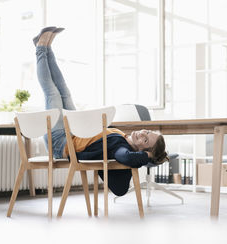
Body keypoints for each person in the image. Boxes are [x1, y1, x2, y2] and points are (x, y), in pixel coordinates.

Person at [34, 27, 168, 196]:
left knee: (52, 93)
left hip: (60, 142)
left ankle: (40, 48)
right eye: (146, 131)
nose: (141, 134)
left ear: (142, 150)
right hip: (71, 132)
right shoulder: (119, 134)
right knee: (64, 91)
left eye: (146, 139)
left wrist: (148, 157)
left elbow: (124, 171)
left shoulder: (120, 147)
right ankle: (46, 48)